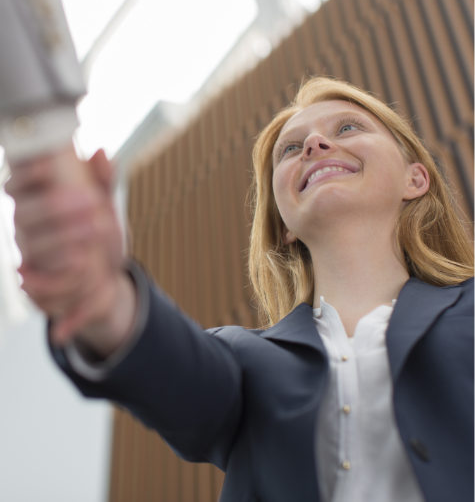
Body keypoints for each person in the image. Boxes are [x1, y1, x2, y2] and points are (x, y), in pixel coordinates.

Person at [7, 76, 475, 502]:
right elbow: (164, 362)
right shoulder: (240, 360)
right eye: (290, 151)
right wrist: (101, 293)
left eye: (349, 127)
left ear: (416, 179)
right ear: (284, 223)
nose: (313, 143)